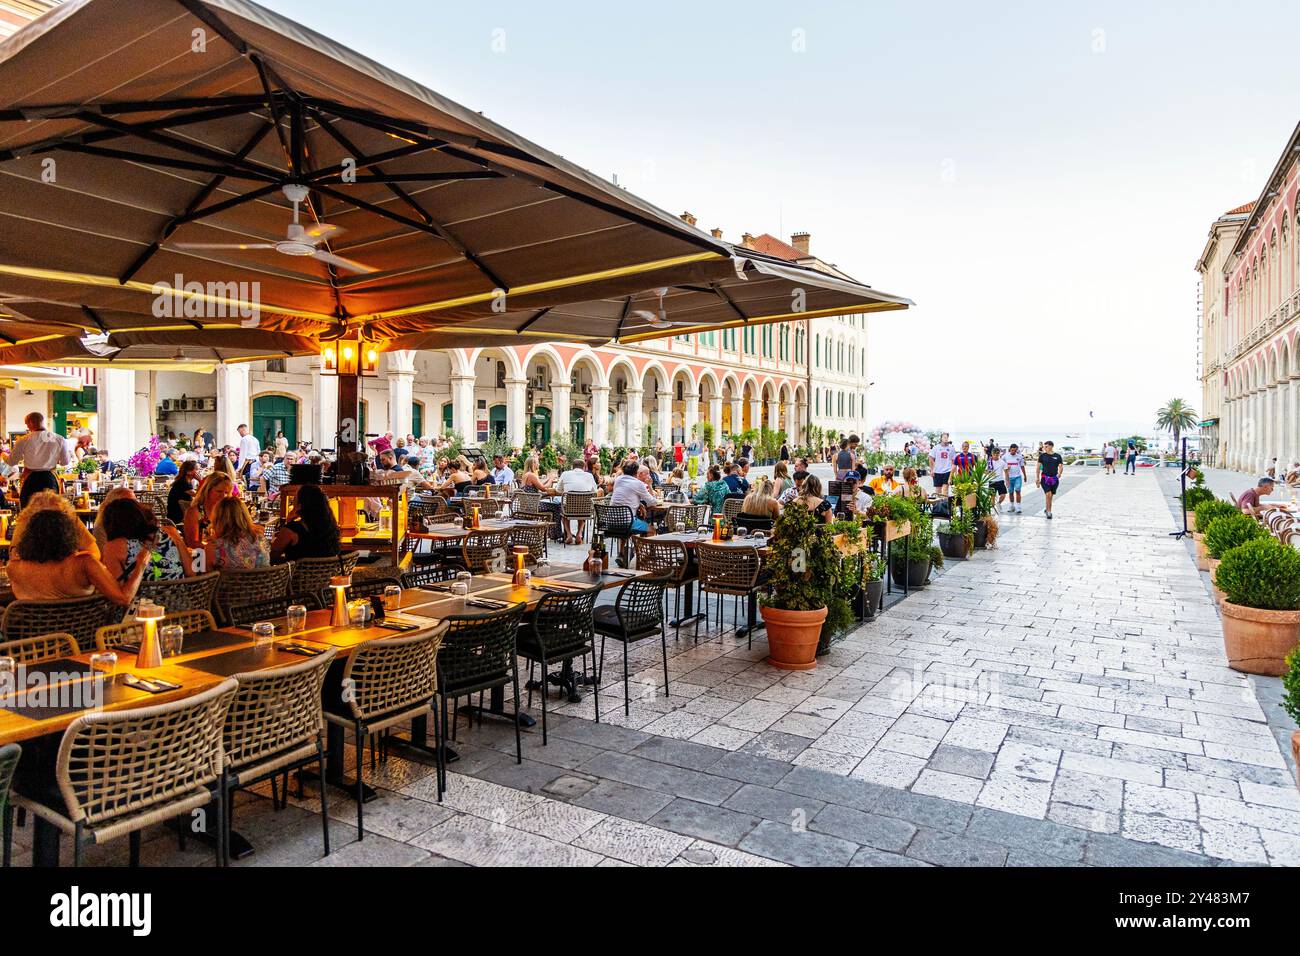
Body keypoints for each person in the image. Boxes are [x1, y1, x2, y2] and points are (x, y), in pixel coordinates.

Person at [7, 508, 149, 605]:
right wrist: (140, 566)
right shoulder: (84, 564)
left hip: (31, 641)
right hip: (82, 637)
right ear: (69, 535)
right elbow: (123, 598)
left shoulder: (13, 568)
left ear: (28, 537)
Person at [99, 497, 193, 583]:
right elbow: (190, 572)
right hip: (180, 598)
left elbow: (118, 589)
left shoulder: (113, 548)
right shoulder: (170, 532)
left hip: (141, 600)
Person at [7, 412, 70, 508]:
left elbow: (12, 461)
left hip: (31, 478)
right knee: (51, 510)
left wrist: (3, 454)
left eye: (27, 424)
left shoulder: (24, 440)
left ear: (31, 422)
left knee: (29, 511)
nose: (27, 427)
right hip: (49, 478)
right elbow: (65, 462)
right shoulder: (59, 439)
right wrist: (54, 459)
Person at [16, 490, 100, 559]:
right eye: (42, 516)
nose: (51, 521)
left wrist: (75, 562)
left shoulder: (72, 520)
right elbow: (15, 558)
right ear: (32, 515)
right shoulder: (25, 523)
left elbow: (95, 552)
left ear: (64, 513)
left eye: (56, 516)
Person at [271, 483, 341, 562]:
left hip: (298, 573)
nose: (293, 499)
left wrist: (289, 520)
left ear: (300, 505)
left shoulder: (292, 529)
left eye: (295, 497)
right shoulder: (330, 526)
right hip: (325, 573)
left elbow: (273, 556)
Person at [204, 496, 269, 570]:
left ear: (217, 520)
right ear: (245, 516)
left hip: (227, 581)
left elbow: (207, 578)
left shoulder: (214, 547)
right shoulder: (259, 539)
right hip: (262, 581)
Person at [183, 472, 234, 547]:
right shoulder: (195, 512)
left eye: (226, 493)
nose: (223, 496)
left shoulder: (227, 511)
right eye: (219, 491)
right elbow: (192, 543)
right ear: (207, 490)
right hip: (202, 555)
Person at [610, 461, 658, 540]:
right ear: (636, 471)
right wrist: (649, 485)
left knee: (632, 520)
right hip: (627, 523)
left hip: (611, 522)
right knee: (651, 530)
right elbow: (652, 502)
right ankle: (645, 552)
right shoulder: (638, 483)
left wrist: (639, 504)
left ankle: (622, 552)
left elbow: (625, 497)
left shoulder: (618, 479)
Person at [554, 458, 597, 543]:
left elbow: (558, 490)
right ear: (584, 467)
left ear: (572, 467)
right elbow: (594, 491)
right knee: (581, 508)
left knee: (564, 513)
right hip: (585, 510)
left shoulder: (565, 474)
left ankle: (569, 535)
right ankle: (579, 533)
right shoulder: (589, 475)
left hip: (569, 509)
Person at [1036, 440, 1065, 519]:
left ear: (1051, 446)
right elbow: (1038, 467)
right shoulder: (1042, 456)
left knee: (1050, 496)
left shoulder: (1057, 456)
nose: (1045, 448)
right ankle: (1049, 512)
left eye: (1046, 446)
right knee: (1048, 494)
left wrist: (1059, 473)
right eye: (1044, 447)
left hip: (1054, 479)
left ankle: (1047, 508)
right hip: (1045, 478)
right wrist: (1037, 478)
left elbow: (1061, 466)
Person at [1003, 443, 1027, 514]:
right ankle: (1012, 506)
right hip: (1009, 477)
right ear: (1010, 449)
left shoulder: (1019, 457)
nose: (1013, 452)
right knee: (1010, 492)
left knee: (1018, 490)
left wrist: (1025, 476)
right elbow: (1002, 465)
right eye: (1012, 450)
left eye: (1015, 451)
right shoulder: (1005, 457)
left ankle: (1018, 507)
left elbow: (1022, 466)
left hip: (1017, 477)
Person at [987, 447, 1009, 512]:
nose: (996, 456)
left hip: (1000, 481)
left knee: (1003, 495)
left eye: (997, 454)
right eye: (994, 454)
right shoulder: (989, 462)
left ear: (999, 454)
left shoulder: (1002, 462)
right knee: (992, 497)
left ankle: (999, 503)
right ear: (992, 454)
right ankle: (993, 510)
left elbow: (1006, 472)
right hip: (992, 481)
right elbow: (985, 471)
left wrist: (1007, 481)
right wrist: (988, 472)